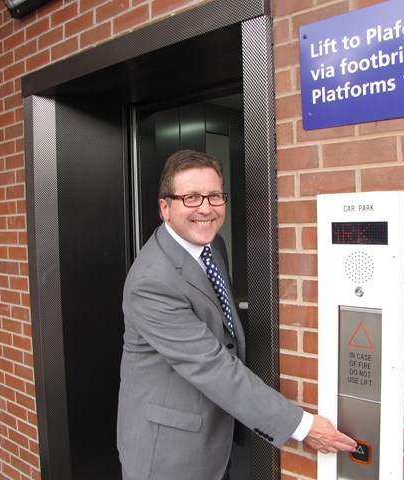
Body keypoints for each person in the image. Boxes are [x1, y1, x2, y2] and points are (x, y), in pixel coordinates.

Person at [117, 150, 356, 480]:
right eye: (190, 197)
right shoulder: (152, 282)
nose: (206, 207)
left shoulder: (213, 248)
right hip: (168, 451)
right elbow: (211, 365)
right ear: (165, 207)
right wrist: (302, 426)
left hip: (213, 437)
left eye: (215, 195)